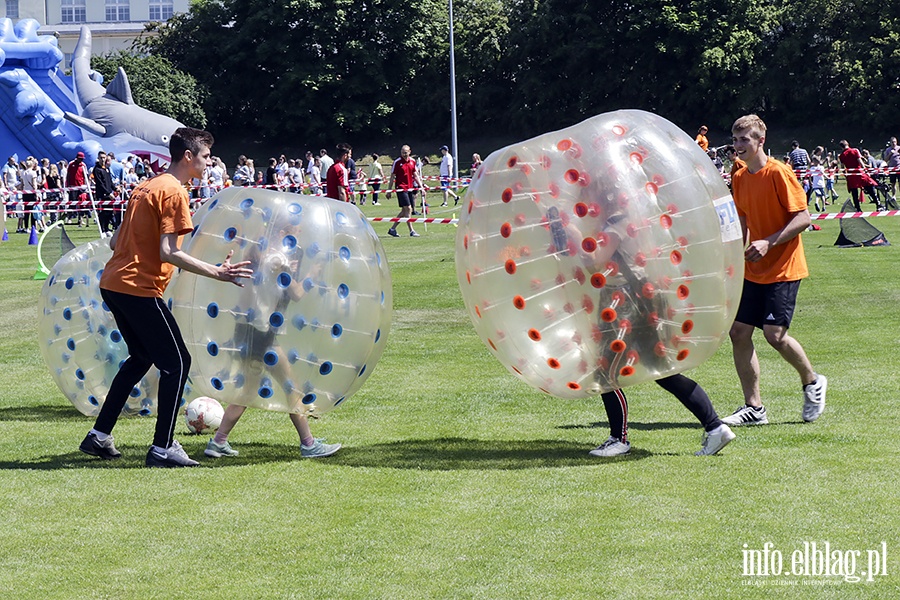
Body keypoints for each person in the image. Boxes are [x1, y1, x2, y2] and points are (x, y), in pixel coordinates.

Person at [78, 127, 253, 468]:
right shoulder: (174, 192)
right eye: (205, 156)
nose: (209, 162)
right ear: (188, 157)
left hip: (114, 283)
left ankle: (99, 436)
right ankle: (163, 448)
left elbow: (116, 242)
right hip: (136, 288)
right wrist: (217, 272)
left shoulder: (147, 185)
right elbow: (168, 251)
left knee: (142, 358)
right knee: (177, 363)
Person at [721, 114, 827, 427]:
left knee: (775, 335)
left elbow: (803, 218)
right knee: (738, 332)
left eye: (745, 140)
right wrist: (734, 257)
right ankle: (754, 409)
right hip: (754, 269)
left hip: (784, 268)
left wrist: (768, 242)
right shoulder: (739, 176)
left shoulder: (779, 173)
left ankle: (812, 382)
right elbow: (741, 221)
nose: (739, 146)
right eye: (736, 139)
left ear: (760, 141)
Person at [204, 220, 342, 460]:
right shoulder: (279, 260)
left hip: (250, 329)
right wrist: (312, 274)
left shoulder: (265, 256)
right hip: (262, 332)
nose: (300, 233)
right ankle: (308, 445)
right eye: (296, 230)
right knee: (289, 386)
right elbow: (296, 293)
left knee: (249, 391)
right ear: (282, 233)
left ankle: (218, 441)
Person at [385, 145, 424, 238]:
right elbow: (392, 177)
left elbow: (415, 175)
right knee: (409, 209)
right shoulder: (397, 162)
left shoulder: (413, 162)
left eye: (405, 152)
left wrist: (421, 187)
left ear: (409, 152)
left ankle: (392, 229)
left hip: (410, 188)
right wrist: (389, 190)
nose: (404, 154)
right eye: (402, 152)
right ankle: (412, 231)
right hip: (401, 188)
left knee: (404, 211)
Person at [838, 140, 880, 211]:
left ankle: (858, 208)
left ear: (841, 147)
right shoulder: (855, 151)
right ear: (848, 144)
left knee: (854, 192)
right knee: (870, 187)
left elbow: (842, 167)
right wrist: (866, 170)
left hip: (851, 175)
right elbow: (860, 162)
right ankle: (878, 204)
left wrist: (846, 175)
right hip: (859, 173)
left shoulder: (842, 155)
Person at [93, 151, 116, 234]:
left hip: (109, 194)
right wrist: (108, 193)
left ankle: (106, 228)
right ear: (98, 158)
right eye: (101, 158)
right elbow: (100, 184)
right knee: (103, 212)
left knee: (109, 212)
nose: (102, 159)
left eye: (104, 157)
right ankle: (102, 229)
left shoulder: (106, 168)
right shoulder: (97, 169)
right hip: (102, 194)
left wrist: (115, 188)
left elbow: (109, 181)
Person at [65, 151, 90, 228]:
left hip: (81, 187)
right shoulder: (71, 164)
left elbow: (85, 176)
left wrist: (86, 186)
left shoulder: (83, 165)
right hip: (73, 186)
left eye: (82, 159)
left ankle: (80, 219)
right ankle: (69, 218)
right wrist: (68, 186)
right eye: (80, 159)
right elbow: (68, 175)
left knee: (82, 203)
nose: (81, 160)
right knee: (72, 203)